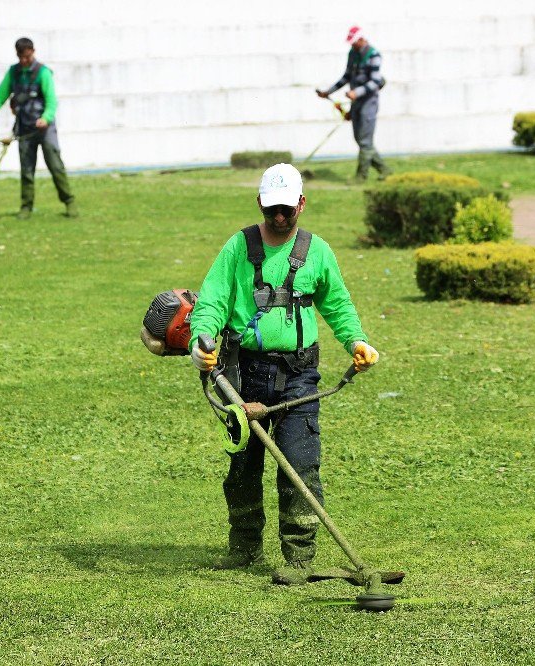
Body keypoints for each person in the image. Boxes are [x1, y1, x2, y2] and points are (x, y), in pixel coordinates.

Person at [188, 163, 380, 585]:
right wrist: (201, 342)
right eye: (272, 208)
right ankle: (243, 547)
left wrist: (357, 342)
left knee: (300, 463)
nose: (279, 217)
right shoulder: (238, 248)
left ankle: (299, 559)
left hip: (298, 375)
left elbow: (339, 306)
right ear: (260, 202)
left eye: (287, 209)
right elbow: (212, 303)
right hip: (243, 374)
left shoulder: (318, 251)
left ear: (302, 204)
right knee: (242, 467)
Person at [0, 37, 76, 219]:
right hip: (24, 129)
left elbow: (52, 100)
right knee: (27, 169)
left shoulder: (43, 72)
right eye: (21, 57)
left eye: (27, 57)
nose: (24, 61)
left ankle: (69, 202)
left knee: (55, 166)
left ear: (33, 52)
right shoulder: (13, 73)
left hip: (44, 129)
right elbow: (0, 96)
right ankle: (26, 207)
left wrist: (46, 118)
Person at [316, 25, 390, 182]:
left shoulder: (374, 55)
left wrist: (356, 92)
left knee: (364, 141)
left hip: (368, 103)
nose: (352, 45)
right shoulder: (353, 53)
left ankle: (361, 177)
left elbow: (376, 81)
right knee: (361, 139)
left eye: (354, 42)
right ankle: (385, 171)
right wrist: (328, 92)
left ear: (362, 39)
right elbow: (346, 76)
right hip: (355, 102)